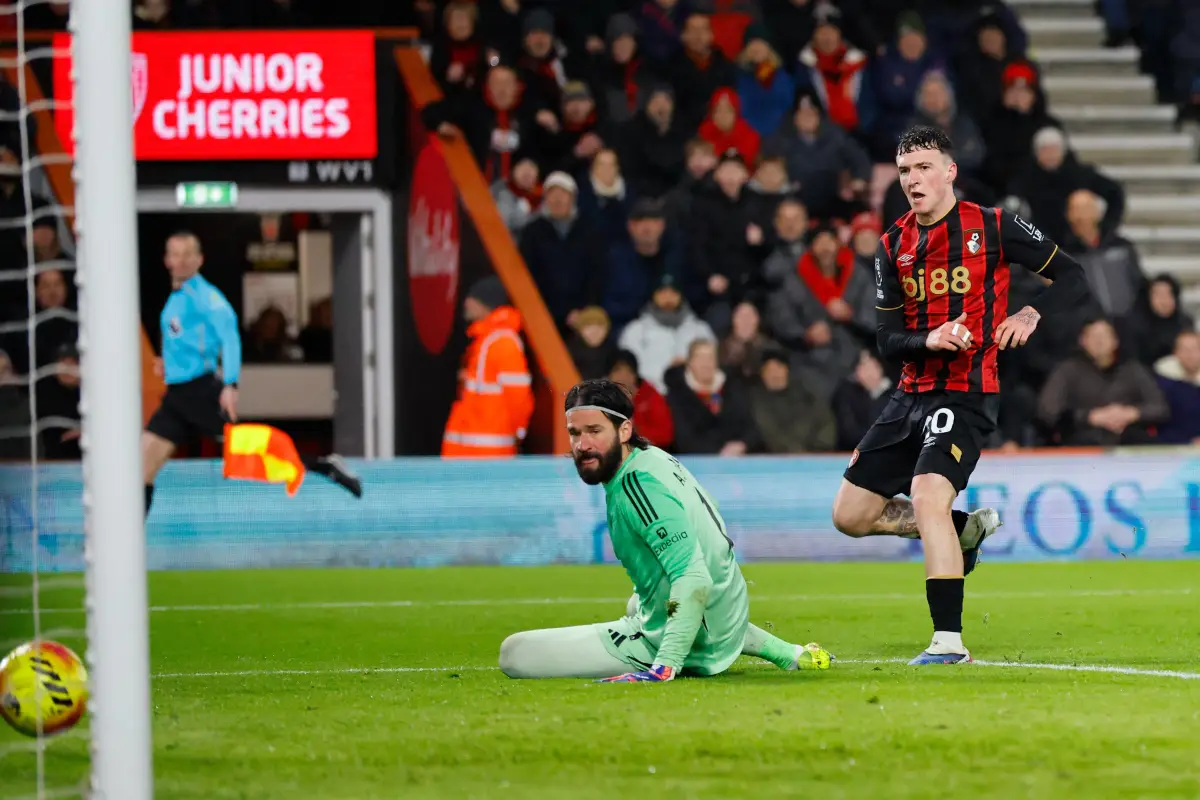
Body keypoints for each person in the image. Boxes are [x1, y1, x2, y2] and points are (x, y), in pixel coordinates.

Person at [831, 126, 1091, 665]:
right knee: (850, 516)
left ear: (950, 171)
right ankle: (960, 530)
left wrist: (1028, 311)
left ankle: (948, 642)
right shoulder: (892, 246)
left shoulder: (993, 225)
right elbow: (886, 339)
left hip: (967, 391)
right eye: (904, 171)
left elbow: (1073, 277)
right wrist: (929, 337)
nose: (913, 180)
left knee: (927, 494)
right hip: (909, 394)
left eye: (924, 167)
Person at [497, 378, 833, 680]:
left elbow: (693, 578)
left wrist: (665, 665)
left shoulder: (637, 486)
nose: (582, 444)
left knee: (514, 654)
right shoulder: (653, 458)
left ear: (624, 430)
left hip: (699, 634)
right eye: (575, 433)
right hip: (724, 611)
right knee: (638, 604)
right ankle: (787, 652)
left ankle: (674, 652)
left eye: (594, 431)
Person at [143, 232, 360, 518]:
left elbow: (230, 338)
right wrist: (167, 364)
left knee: (253, 450)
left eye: (187, 254)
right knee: (141, 469)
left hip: (199, 391)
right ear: (167, 260)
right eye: (175, 254)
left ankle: (324, 465)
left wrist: (231, 384)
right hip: (178, 395)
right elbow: (185, 341)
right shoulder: (178, 298)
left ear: (199, 259)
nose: (181, 260)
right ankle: (128, 548)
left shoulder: (206, 297)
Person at [442, 276, 534, 458]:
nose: (466, 302)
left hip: (487, 456)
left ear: (487, 304)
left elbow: (518, 398)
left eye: (473, 298)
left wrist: (518, 432)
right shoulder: (486, 341)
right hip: (472, 452)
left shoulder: (503, 342)